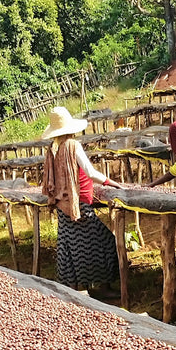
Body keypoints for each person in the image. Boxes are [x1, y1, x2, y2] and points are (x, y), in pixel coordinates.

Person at [41, 105, 124, 294]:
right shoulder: (73, 145)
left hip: (62, 204)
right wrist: (110, 182)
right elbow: (89, 172)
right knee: (105, 242)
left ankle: (76, 288)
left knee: (70, 248)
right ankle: (102, 286)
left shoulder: (53, 148)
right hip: (77, 204)